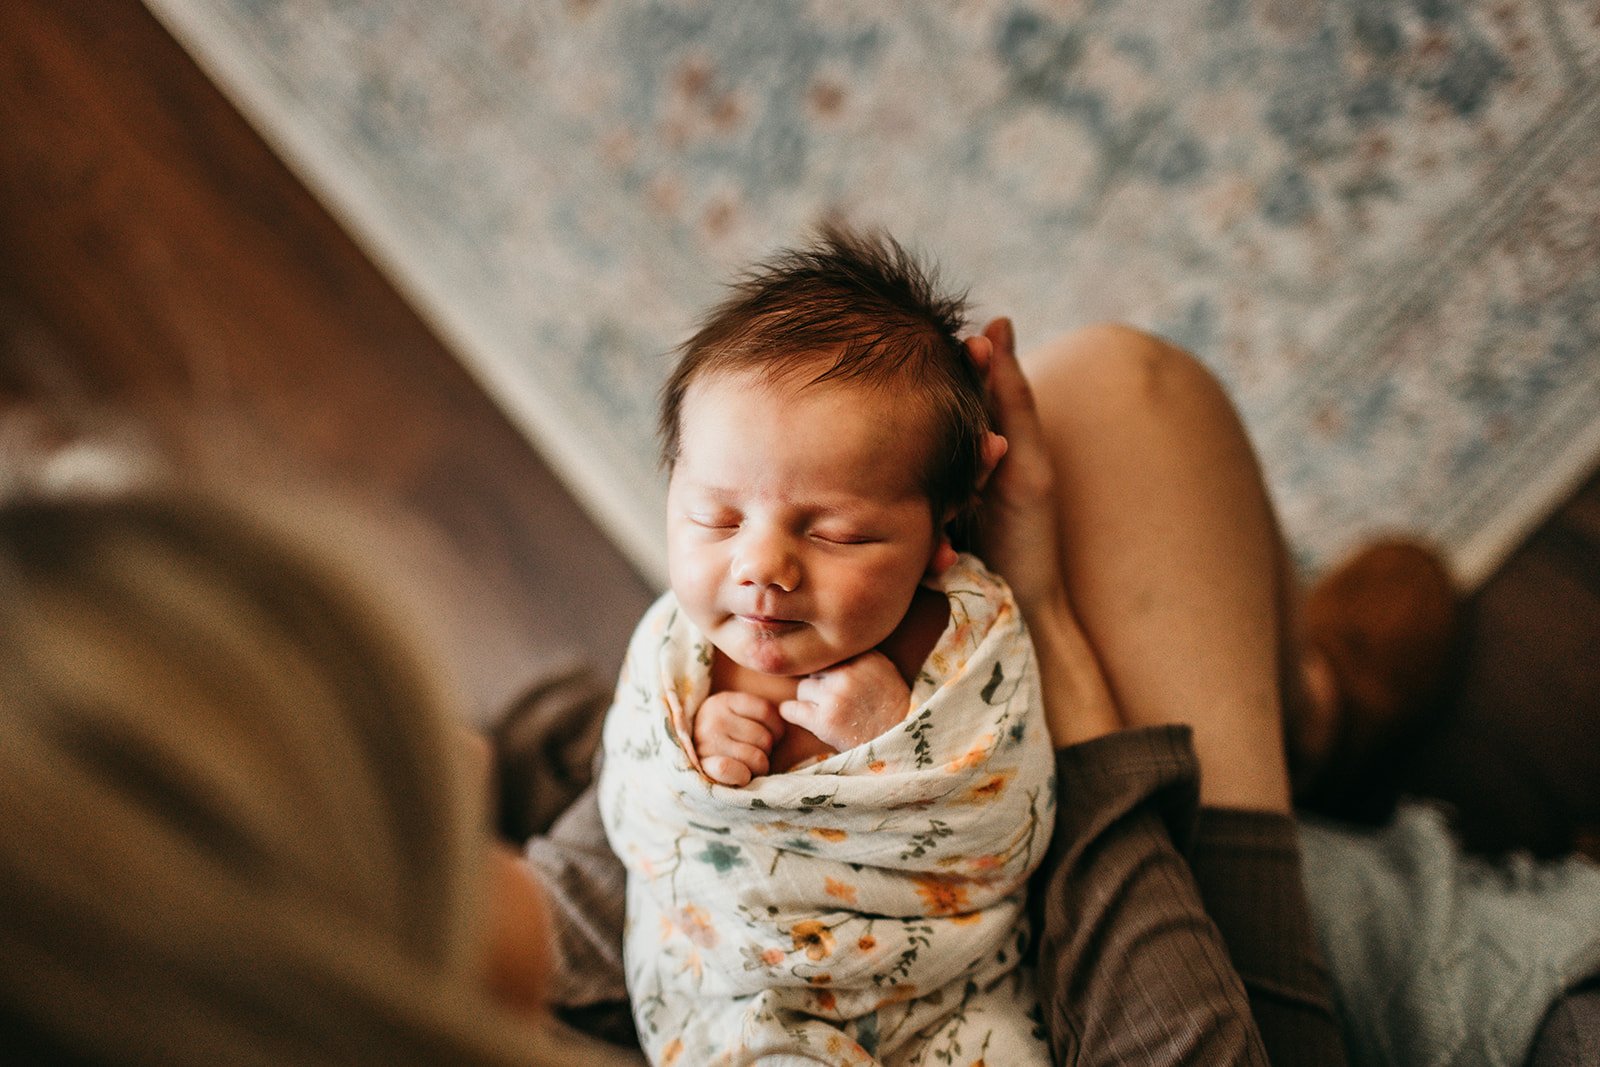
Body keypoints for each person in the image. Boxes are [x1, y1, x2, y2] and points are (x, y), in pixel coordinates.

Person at [596, 228, 1058, 1064]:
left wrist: (900, 737)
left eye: (837, 533)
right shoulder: (676, 651)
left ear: (941, 526)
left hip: (930, 999)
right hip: (728, 986)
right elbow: (634, 802)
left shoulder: (965, 639)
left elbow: (1012, 822)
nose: (762, 567)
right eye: (718, 517)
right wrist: (695, 751)